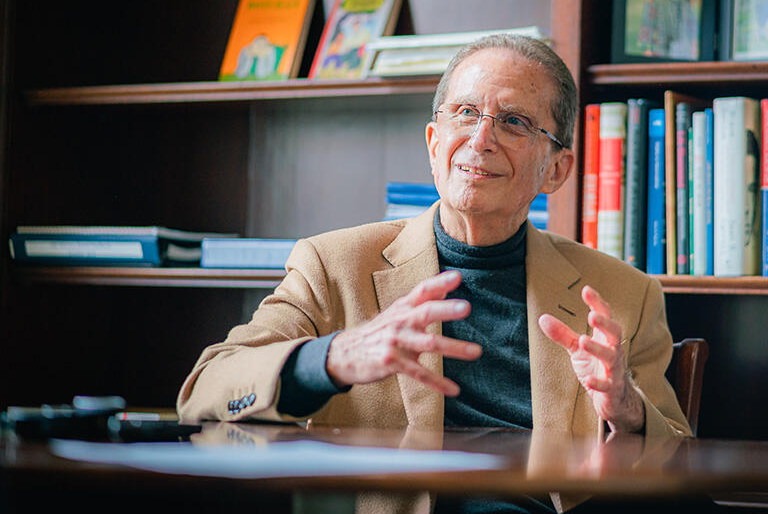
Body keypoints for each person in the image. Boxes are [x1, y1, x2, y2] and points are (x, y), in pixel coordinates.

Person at [178, 34, 690, 513]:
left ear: (556, 169)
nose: (481, 138)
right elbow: (205, 390)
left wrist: (629, 413)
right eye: (465, 113)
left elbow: (679, 465)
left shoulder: (622, 293)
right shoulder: (333, 265)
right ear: (433, 141)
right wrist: (333, 357)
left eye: (514, 122)